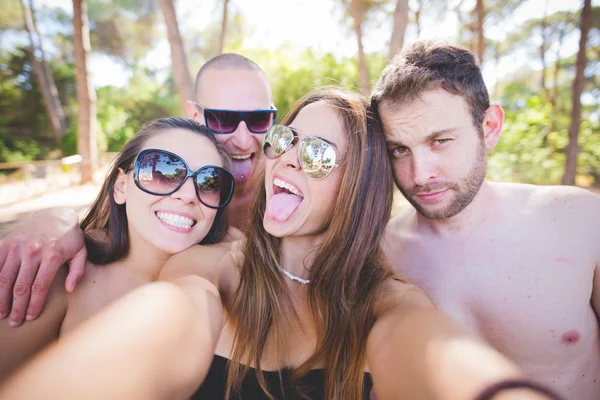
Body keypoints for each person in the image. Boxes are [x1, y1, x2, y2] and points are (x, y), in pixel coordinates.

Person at [0, 88, 560, 400]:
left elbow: (431, 356)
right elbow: (175, 313)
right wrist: (58, 217)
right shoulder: (212, 263)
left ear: (357, 191)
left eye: (319, 155)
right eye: (287, 139)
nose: (288, 156)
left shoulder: (390, 302)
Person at [372, 40, 600, 400]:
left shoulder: (579, 220)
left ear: (490, 127)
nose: (419, 174)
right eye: (399, 149)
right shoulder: (379, 254)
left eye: (440, 141)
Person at [0, 53, 274, 327]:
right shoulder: (76, 278)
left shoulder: (284, 190)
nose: (242, 138)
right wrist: (56, 220)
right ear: (195, 115)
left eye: (260, 119)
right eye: (224, 118)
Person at [0, 117, 235, 380]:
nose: (189, 194)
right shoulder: (52, 276)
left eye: (209, 182)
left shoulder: (228, 276)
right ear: (121, 186)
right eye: (162, 171)